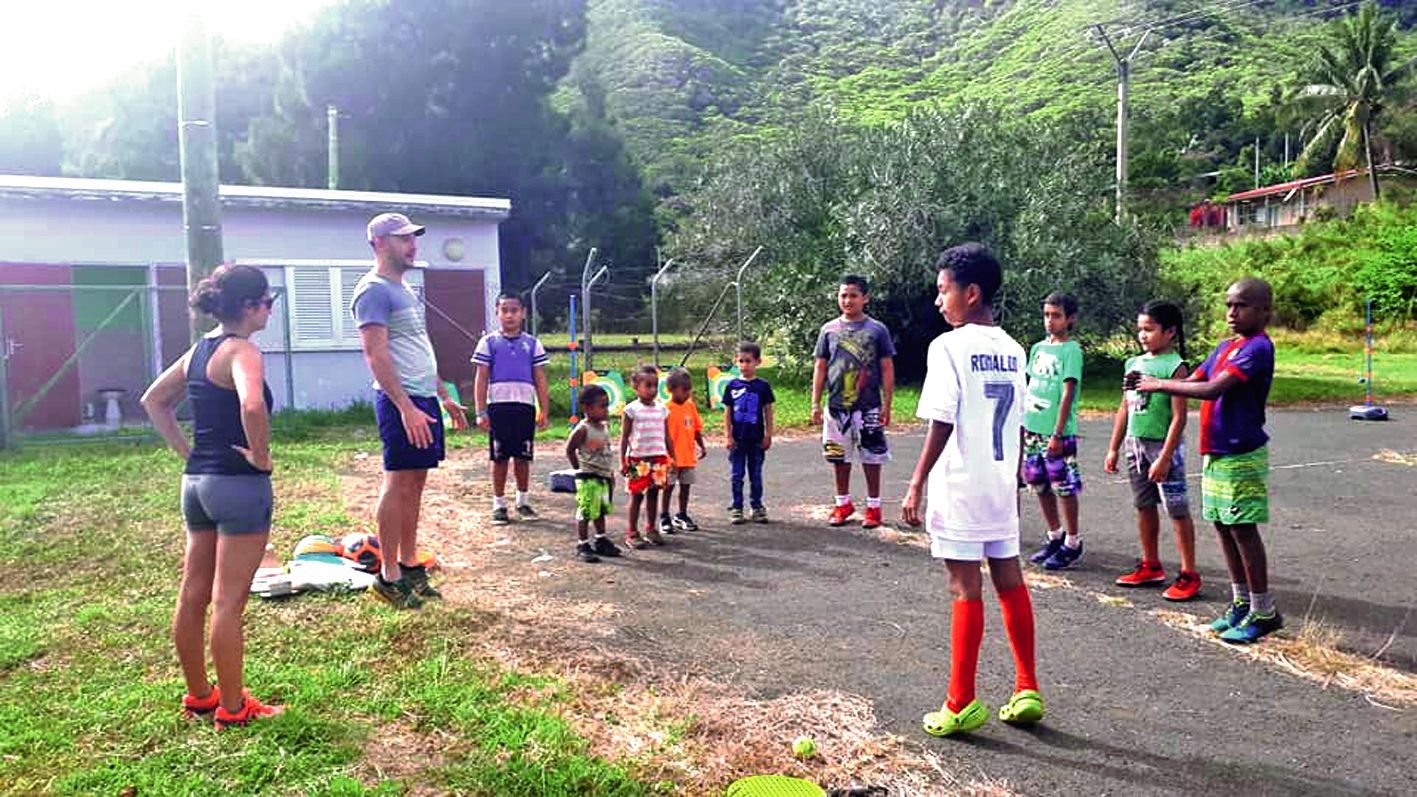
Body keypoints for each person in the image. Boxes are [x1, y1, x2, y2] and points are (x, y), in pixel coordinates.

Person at [902, 243, 1042, 737]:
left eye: (944, 291)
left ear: (971, 292)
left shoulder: (948, 347)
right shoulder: (1014, 348)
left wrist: (916, 482)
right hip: (1001, 483)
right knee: (1009, 579)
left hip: (961, 483)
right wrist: (1018, 480)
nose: (939, 302)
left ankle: (959, 700)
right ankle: (1027, 686)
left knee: (965, 586)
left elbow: (941, 421)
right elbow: (1021, 424)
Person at [141, 264, 285, 729]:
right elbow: (251, 403)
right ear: (248, 307)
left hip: (197, 485)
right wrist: (261, 455)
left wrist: (188, 451)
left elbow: (153, 400)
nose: (269, 309)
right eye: (267, 301)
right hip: (238, 486)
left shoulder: (198, 351)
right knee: (227, 602)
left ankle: (201, 696)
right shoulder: (243, 351)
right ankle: (232, 707)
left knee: (192, 596)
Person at [1129, 278, 1280, 643]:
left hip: (1241, 451)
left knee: (1243, 529)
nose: (1232, 313)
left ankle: (1264, 609)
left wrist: (1159, 385)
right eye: (1229, 305)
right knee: (1223, 527)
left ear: (1264, 311)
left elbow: (1213, 388)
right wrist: (1158, 378)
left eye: (1241, 306)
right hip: (1215, 451)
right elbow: (1197, 377)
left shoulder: (1257, 348)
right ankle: (1241, 602)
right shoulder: (1226, 346)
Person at [352, 212, 468, 609]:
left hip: (423, 399)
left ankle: (408, 563)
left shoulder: (404, 289)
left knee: (415, 484)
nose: (413, 245)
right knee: (397, 483)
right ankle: (388, 577)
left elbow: (417, 349)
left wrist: (442, 395)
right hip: (400, 402)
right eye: (404, 239)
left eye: (413, 238)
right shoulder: (372, 291)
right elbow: (375, 353)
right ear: (380, 244)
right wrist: (404, 406)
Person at [1105, 300, 1202, 601]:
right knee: (1143, 506)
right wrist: (1113, 448)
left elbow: (1179, 417)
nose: (1143, 335)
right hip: (1135, 445)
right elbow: (1125, 407)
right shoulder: (1133, 364)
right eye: (1140, 330)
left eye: (1150, 329)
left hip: (1163, 447)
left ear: (1170, 332)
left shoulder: (1175, 366)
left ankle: (1189, 574)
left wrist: (1164, 456)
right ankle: (1151, 564)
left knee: (1176, 509)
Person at [811, 275, 896, 529]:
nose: (847, 300)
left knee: (872, 457)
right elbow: (820, 366)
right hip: (836, 407)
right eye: (843, 295)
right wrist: (815, 403)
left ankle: (873, 507)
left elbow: (887, 367)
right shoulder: (828, 330)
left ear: (865, 298)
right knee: (838, 457)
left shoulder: (877, 330)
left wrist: (887, 404)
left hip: (869, 406)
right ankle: (843, 503)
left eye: (853, 295)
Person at [472, 292, 552, 525]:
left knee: (522, 456)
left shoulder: (532, 344)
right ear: (497, 313)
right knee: (499, 457)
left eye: (514, 310)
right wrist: (480, 411)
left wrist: (543, 409)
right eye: (504, 310)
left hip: (525, 408)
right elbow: (481, 378)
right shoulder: (488, 342)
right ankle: (499, 504)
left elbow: (540, 378)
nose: (509, 315)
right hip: (498, 408)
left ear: (523, 313)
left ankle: (523, 501)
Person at [1022, 292, 1085, 570]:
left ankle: (1072, 541)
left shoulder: (1071, 351)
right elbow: (1030, 385)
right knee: (1039, 484)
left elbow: (1067, 393)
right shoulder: (1037, 348)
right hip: (1032, 428)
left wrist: (1058, 434)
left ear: (1069, 318)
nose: (1050, 320)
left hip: (1056, 432)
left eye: (1056, 315)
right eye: (1047, 314)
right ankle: (1054, 535)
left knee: (1064, 486)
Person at [565, 385, 623, 563]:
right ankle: (582, 543)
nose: (606, 409)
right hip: (589, 476)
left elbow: (606, 450)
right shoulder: (583, 429)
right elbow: (570, 449)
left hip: (603, 475)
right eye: (602, 406)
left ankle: (601, 539)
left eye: (607, 405)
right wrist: (579, 470)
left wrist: (609, 473)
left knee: (600, 510)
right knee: (586, 511)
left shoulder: (604, 427)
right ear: (587, 408)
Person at [620, 365, 675, 548]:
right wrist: (623, 460)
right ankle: (632, 532)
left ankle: (651, 529)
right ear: (636, 387)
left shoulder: (662, 410)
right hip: (637, 459)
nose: (652, 390)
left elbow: (667, 436)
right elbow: (624, 437)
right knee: (636, 495)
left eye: (655, 385)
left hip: (658, 459)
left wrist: (672, 457)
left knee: (653, 494)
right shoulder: (631, 410)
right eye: (648, 385)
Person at [723, 342, 776, 524]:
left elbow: (768, 410)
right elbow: (728, 411)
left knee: (756, 475)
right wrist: (728, 435)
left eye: (749, 361)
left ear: (758, 362)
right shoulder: (732, 385)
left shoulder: (762, 386)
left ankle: (757, 506)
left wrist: (768, 434)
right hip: (737, 440)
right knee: (737, 475)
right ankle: (737, 507)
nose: (745, 365)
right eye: (741, 361)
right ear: (736, 362)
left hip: (756, 440)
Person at [660, 368, 707, 534]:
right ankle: (664, 515)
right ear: (671, 390)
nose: (688, 393)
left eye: (689, 389)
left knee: (686, 486)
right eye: (684, 389)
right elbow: (661, 435)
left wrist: (701, 445)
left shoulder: (690, 406)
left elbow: (696, 428)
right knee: (668, 487)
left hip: (687, 456)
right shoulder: (665, 409)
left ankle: (681, 514)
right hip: (670, 459)